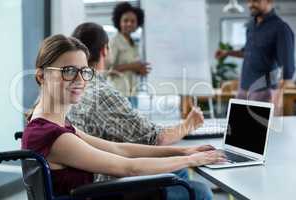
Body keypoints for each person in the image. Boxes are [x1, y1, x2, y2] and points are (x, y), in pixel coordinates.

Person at [22, 34, 225, 199]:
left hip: (94, 193)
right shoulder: (53, 135)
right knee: (198, 191)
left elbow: (117, 148)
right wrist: (190, 160)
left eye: (84, 71)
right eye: (68, 71)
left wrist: (185, 151)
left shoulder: (53, 123)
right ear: (42, 76)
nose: (80, 80)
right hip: (95, 194)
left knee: (182, 182)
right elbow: (129, 168)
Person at [68, 22, 215, 200]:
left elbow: (122, 145)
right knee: (200, 191)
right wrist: (189, 125)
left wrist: (184, 154)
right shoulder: (101, 93)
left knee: (178, 170)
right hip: (103, 186)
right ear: (105, 50)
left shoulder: (71, 90)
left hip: (84, 181)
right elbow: (155, 140)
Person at [215, 0, 295, 114]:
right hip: (243, 89)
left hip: (264, 91)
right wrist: (226, 53)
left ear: (269, 1)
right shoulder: (251, 25)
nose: (250, 4)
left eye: (256, 1)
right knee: (237, 128)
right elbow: (247, 52)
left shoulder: (281, 28)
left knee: (257, 131)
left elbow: (288, 68)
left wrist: (278, 95)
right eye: (249, 1)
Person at [106, 2, 150, 108]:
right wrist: (132, 66)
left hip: (133, 93)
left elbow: (133, 67)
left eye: (133, 21)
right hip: (120, 93)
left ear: (137, 23)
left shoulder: (134, 44)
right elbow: (108, 70)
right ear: (119, 22)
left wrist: (139, 70)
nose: (129, 24)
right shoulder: (114, 42)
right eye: (125, 20)